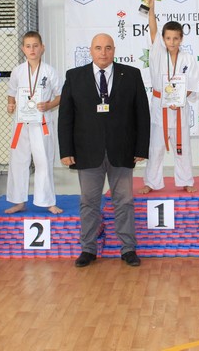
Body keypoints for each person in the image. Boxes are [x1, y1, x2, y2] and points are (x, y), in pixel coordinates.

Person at [58, 33, 150, 267]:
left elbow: (142, 114)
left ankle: (128, 249)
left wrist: (141, 147)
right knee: (88, 202)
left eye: (108, 48)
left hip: (123, 150)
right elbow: (65, 117)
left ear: (114, 50)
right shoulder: (74, 76)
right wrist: (66, 150)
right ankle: (88, 249)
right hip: (87, 152)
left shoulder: (131, 75)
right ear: (91, 50)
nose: (103, 52)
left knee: (124, 201)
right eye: (98, 48)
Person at [139, 0, 199, 194]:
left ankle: (186, 180)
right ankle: (151, 182)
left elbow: (193, 84)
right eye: (168, 38)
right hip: (160, 107)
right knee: (156, 147)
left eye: (175, 38)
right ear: (163, 39)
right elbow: (153, 28)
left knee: (183, 147)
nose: (172, 42)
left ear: (181, 38)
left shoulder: (188, 59)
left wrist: (180, 98)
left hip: (180, 108)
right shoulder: (157, 53)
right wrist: (152, 8)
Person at [4, 31, 63, 214]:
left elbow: (60, 95)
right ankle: (18, 201)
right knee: (18, 161)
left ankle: (47, 201)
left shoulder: (49, 71)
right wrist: (11, 105)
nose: (32, 50)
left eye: (35, 46)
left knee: (43, 161)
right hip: (21, 123)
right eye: (28, 46)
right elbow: (11, 93)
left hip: (41, 122)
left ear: (42, 48)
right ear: (23, 49)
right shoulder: (17, 71)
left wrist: (48, 105)